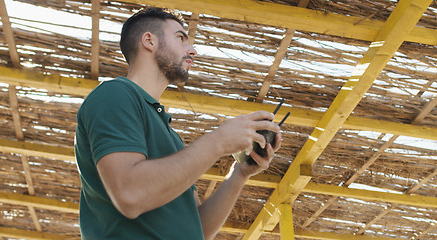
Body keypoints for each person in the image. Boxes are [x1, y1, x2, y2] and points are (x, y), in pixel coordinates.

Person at [75, 7, 282, 240]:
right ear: (149, 41)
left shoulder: (171, 136)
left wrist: (239, 174)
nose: (192, 50)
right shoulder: (114, 95)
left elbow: (198, 229)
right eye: (181, 38)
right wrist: (219, 141)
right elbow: (130, 195)